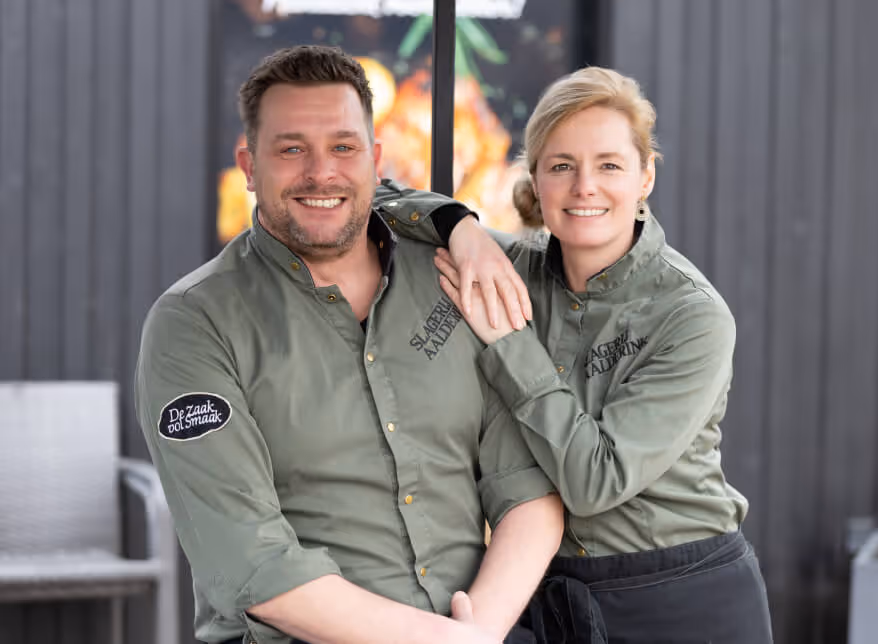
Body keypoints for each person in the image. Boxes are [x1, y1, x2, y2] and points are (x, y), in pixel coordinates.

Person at [134, 45, 562, 644]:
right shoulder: (195, 323)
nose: (321, 172)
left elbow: (527, 487)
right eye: (291, 150)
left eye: (343, 147)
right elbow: (257, 566)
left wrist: (481, 632)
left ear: (375, 160)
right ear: (249, 167)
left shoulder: (452, 276)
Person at [424, 67, 774, 643]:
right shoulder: (507, 273)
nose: (584, 186)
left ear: (645, 176)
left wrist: (509, 342)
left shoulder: (691, 315)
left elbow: (596, 481)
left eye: (609, 165)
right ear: (535, 179)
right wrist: (462, 229)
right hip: (551, 597)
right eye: (561, 166)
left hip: (683, 600)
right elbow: (380, 199)